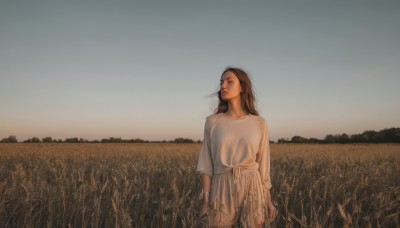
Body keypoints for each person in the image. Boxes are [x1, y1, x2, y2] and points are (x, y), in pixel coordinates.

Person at [196, 67, 277, 227]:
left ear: (242, 87)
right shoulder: (213, 122)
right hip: (221, 184)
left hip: (252, 185)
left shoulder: (260, 123)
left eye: (229, 81)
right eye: (221, 82)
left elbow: (263, 165)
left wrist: (268, 200)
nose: (223, 86)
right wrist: (206, 201)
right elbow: (206, 164)